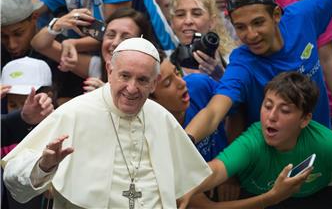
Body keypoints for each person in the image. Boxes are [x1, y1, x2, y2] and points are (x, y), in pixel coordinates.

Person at [2, 37, 211, 209]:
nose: (131, 88)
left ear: (154, 83)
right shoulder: (75, 112)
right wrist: (44, 166)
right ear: (110, 71)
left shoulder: (161, 118)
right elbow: (14, 181)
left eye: (142, 80)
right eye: (125, 76)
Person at [150, 0, 332, 134]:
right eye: (241, 27)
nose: (251, 35)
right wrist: (185, 141)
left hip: (320, 136)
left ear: (276, 15)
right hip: (272, 156)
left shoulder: (303, 15)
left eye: (258, 23)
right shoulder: (242, 63)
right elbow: (214, 112)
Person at [178, 71, 332, 209]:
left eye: (285, 110)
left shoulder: (326, 144)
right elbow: (216, 170)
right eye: (268, 106)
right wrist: (186, 183)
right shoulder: (253, 141)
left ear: (304, 119)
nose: (271, 117)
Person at [35, 0, 176, 51]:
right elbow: (31, 10)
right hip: (115, 58)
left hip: (159, 52)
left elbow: (113, 35)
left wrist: (73, 44)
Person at [31, 7, 156, 92]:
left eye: (126, 37)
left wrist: (105, 95)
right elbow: (40, 45)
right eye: (110, 35)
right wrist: (57, 24)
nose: (115, 43)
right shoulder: (97, 67)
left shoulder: (153, 73)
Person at [169, 0, 237, 81]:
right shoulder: (164, 63)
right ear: (172, 23)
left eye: (196, 14)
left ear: (212, 21)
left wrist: (221, 75)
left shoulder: (232, 59)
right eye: (180, 15)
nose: (188, 21)